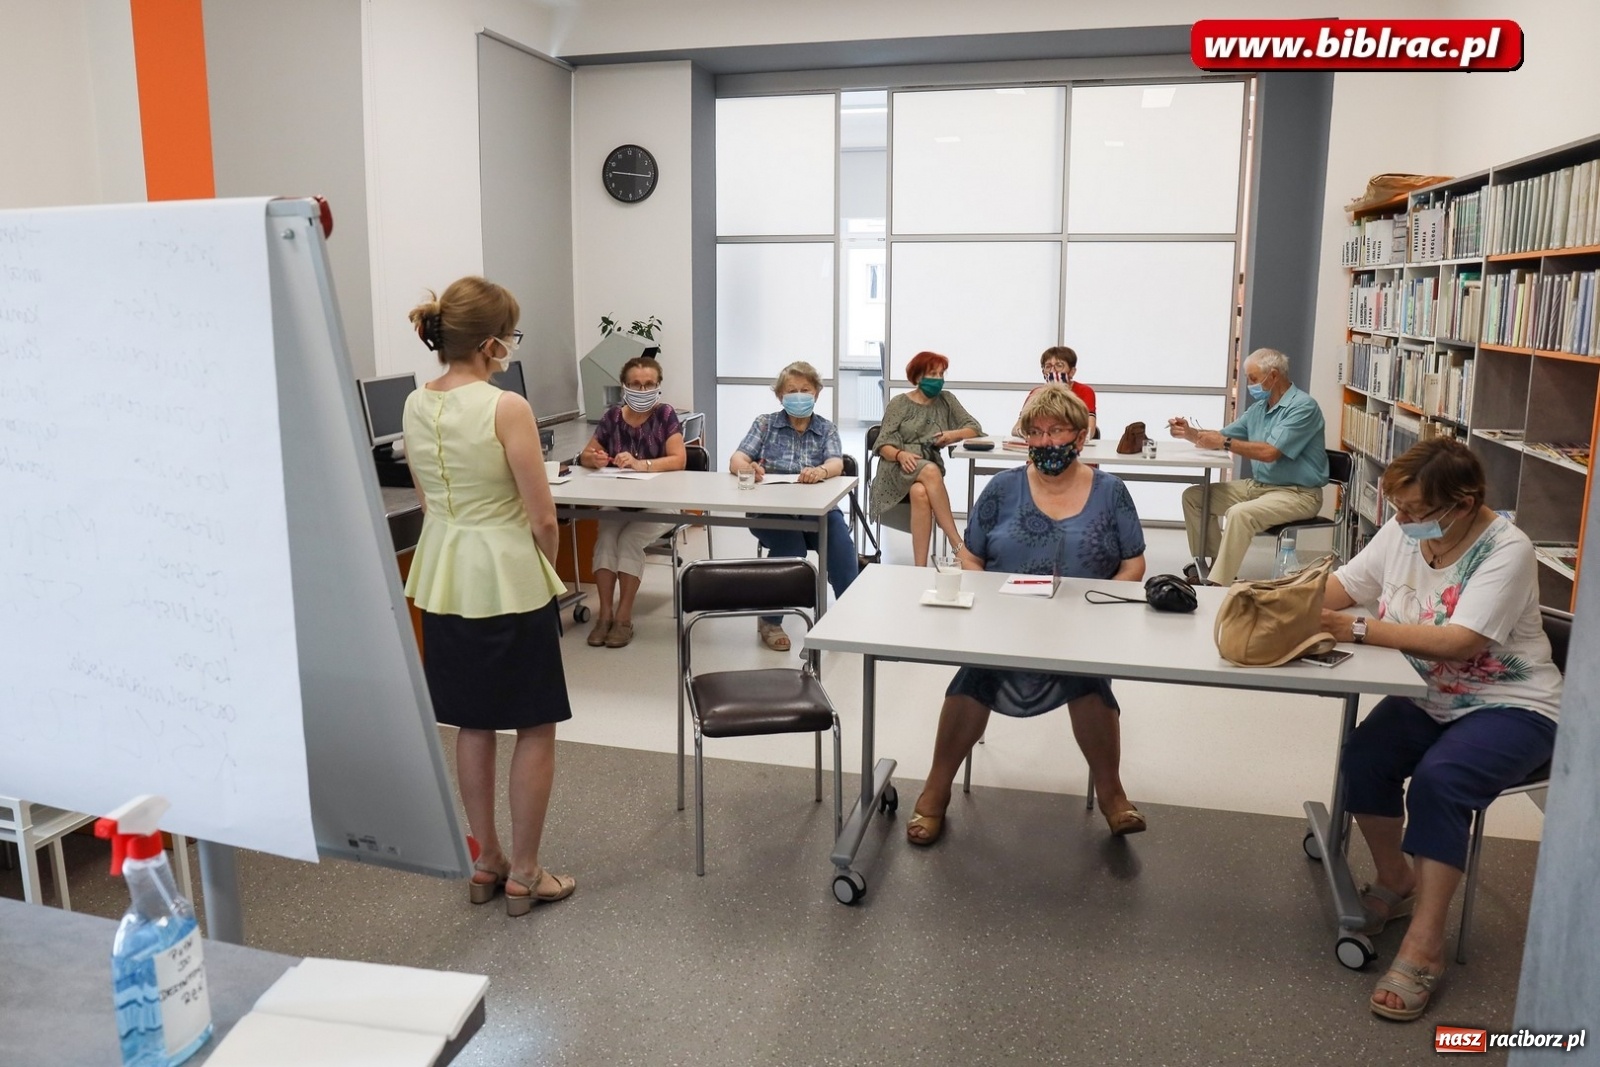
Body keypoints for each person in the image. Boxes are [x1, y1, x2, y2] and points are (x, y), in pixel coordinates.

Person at [1319, 438, 1561, 1022]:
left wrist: (1357, 630)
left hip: (1513, 704)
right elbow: (1347, 587)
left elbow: (1461, 642)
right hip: (1427, 694)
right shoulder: (1406, 529)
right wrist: (1278, 600)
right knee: (1364, 758)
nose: (1402, 521)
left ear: (1463, 503)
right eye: (1397, 508)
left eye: (1414, 510)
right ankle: (1395, 880)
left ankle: (1425, 945)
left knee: (1441, 782)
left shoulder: (1508, 549)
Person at [907, 385, 1148, 847]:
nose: (1044, 441)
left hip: (1081, 627)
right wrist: (990, 605)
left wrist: (1099, 608)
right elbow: (971, 556)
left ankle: (1112, 793)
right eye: (1034, 432)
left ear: (1080, 437)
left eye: (1055, 431)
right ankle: (935, 790)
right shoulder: (1002, 488)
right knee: (974, 677)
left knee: (1088, 681)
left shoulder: (1111, 491)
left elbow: (1133, 564)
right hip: (1006, 623)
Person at [402, 276, 576, 916]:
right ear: (490, 343)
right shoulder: (506, 406)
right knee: (534, 722)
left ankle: (487, 860)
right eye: (510, 336)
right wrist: (544, 573)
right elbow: (543, 517)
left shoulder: (416, 402)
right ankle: (526, 873)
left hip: (444, 575)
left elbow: (427, 498)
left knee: (472, 722)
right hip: (507, 577)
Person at [729, 360, 859, 651]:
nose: (799, 396)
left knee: (840, 542)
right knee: (791, 547)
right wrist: (748, 467)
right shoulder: (765, 424)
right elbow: (737, 458)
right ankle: (770, 620)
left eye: (805, 390)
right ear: (780, 395)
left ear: (816, 393)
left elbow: (836, 463)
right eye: (791, 390)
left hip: (816, 512)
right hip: (770, 511)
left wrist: (821, 471)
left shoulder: (826, 429)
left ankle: (848, 618)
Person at [1169, 348, 1328, 586]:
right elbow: (1221, 436)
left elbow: (1269, 453)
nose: (1249, 385)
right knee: (1194, 497)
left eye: (1253, 379)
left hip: (1298, 494)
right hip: (1260, 486)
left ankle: (1217, 584)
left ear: (1273, 375)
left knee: (1239, 513)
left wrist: (1223, 442)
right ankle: (1212, 567)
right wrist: (1189, 433)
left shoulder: (1303, 407)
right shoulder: (1259, 409)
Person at [577, 356, 687, 649]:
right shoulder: (612, 417)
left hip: (660, 502)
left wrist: (643, 464)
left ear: (658, 385)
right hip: (619, 501)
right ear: (624, 386)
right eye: (636, 384)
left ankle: (624, 617)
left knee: (628, 541)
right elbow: (586, 455)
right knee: (605, 540)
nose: (642, 390)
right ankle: (605, 615)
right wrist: (594, 459)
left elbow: (679, 459)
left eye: (649, 384)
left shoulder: (665, 415)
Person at [869, 350, 984, 566]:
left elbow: (974, 428)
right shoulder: (900, 403)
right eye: (933, 374)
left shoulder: (946, 400)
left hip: (926, 468)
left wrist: (953, 435)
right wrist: (900, 454)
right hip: (896, 468)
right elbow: (882, 444)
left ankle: (920, 567)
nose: (938, 379)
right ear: (919, 376)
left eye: (941, 374)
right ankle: (957, 545)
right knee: (930, 470)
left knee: (920, 492)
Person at [1013, 345, 1097, 440]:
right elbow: (1017, 427)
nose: (1052, 371)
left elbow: (1090, 429)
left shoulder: (1084, 391)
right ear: (1043, 372)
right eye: (1048, 366)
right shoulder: (1036, 393)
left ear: (1072, 371)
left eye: (1059, 366)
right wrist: (1023, 432)